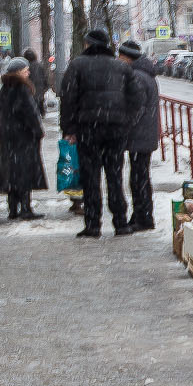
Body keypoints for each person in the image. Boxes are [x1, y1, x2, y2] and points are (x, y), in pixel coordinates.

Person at [59, 27, 141, 238]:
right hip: (115, 130)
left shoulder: (77, 65)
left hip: (88, 130)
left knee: (90, 177)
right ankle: (121, 223)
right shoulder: (122, 68)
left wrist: (69, 129)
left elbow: (68, 99)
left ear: (88, 44)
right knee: (115, 175)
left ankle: (93, 224)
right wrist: (126, 123)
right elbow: (137, 100)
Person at [0, 56, 46, 222]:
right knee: (25, 172)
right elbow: (31, 113)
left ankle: (12, 209)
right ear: (18, 72)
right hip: (24, 137)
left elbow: (0, 113)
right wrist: (38, 131)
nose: (28, 72)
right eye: (25, 70)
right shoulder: (23, 88)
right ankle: (25, 208)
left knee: (12, 172)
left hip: (9, 137)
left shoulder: (5, 88)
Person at [115, 40, 160, 230]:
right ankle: (141, 215)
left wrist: (123, 127)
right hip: (145, 135)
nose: (118, 60)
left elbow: (136, 108)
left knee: (139, 179)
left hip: (139, 137)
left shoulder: (137, 77)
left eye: (120, 57)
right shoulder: (145, 74)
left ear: (127, 57)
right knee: (140, 177)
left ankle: (143, 217)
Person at [22, 47, 48, 117]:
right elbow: (44, 76)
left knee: (32, 101)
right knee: (39, 100)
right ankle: (42, 112)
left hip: (30, 86)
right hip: (39, 86)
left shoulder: (26, 66)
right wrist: (45, 85)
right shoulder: (39, 65)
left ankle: (34, 114)